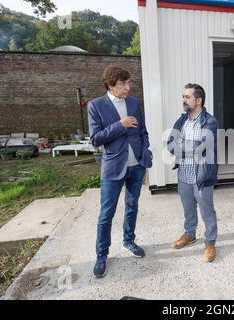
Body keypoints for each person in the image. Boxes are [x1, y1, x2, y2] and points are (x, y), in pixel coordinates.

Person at [87, 65, 152, 278]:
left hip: (136, 166)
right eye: (123, 83)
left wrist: (145, 151)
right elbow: (96, 139)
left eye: (129, 82)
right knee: (107, 214)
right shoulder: (96, 106)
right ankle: (101, 255)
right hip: (113, 168)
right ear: (111, 85)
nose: (128, 87)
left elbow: (142, 131)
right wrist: (120, 125)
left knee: (132, 206)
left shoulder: (133, 102)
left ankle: (129, 241)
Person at [167, 83, 219, 262]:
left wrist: (183, 146)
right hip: (183, 175)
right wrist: (187, 146)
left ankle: (210, 242)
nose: (184, 100)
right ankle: (190, 234)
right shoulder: (182, 120)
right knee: (188, 209)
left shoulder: (210, 121)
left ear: (199, 100)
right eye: (183, 96)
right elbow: (170, 144)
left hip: (202, 176)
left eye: (187, 97)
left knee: (207, 211)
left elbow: (202, 146)